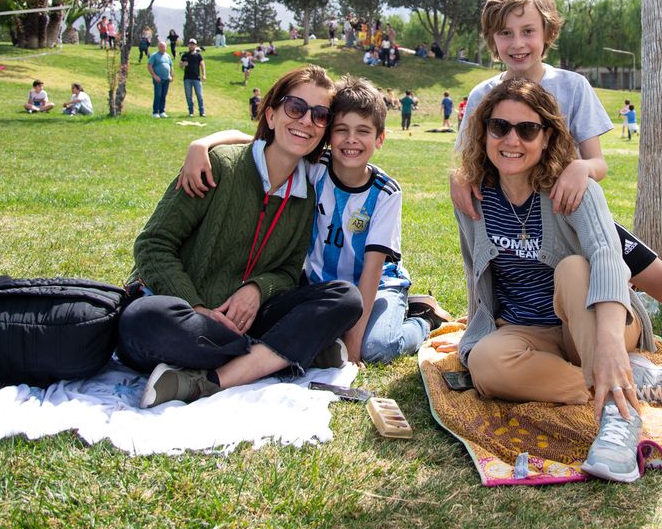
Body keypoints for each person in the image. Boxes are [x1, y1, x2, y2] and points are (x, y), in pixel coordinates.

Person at [452, 77, 662, 483]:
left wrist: (609, 343)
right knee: (485, 365)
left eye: (527, 129)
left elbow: (609, 260)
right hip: (526, 328)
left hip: (599, 318)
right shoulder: (475, 195)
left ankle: (619, 417)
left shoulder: (571, 188)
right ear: (484, 132)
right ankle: (627, 380)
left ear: (547, 137)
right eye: (499, 127)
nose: (511, 139)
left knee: (573, 268)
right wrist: (475, 330)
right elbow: (475, 271)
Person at [118, 65, 363, 408]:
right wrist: (198, 307)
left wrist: (256, 289)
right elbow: (152, 244)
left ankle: (233, 369)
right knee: (143, 322)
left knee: (346, 299)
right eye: (296, 108)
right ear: (272, 113)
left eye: (320, 115)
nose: (306, 121)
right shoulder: (218, 165)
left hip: (247, 319)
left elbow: (289, 273)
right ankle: (283, 350)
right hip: (184, 314)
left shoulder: (309, 194)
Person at [451, 0, 662, 318]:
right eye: (505, 33)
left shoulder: (572, 86)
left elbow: (598, 163)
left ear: (547, 33)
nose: (518, 43)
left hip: (577, 219)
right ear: (492, 39)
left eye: (528, 31)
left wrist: (581, 168)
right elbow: (469, 161)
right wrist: (459, 177)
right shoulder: (483, 95)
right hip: (515, 226)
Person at [178, 76, 449, 364]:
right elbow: (259, 141)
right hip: (320, 286)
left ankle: (422, 318)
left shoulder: (386, 193)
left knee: (376, 349)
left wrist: (354, 348)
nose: (351, 140)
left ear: (379, 138)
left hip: (378, 285)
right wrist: (202, 143)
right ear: (328, 135)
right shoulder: (313, 167)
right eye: (341, 130)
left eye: (363, 131)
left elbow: (371, 271)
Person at [180, 39, 207, 118]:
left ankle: (202, 112)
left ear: (195, 45)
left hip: (196, 78)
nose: (191, 45)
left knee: (199, 95)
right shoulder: (185, 55)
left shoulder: (198, 55)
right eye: (190, 44)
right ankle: (191, 111)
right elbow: (180, 65)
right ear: (188, 45)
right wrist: (183, 64)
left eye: (193, 44)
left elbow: (202, 65)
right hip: (187, 78)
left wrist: (204, 74)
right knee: (189, 96)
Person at [148, 41, 173, 118]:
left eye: (164, 47)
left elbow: (171, 66)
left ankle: (162, 111)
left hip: (166, 79)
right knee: (158, 95)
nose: (163, 48)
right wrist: (155, 76)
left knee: (163, 95)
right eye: (161, 46)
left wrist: (171, 76)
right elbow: (149, 66)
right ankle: (155, 112)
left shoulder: (167, 56)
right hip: (158, 79)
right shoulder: (154, 56)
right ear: (158, 47)